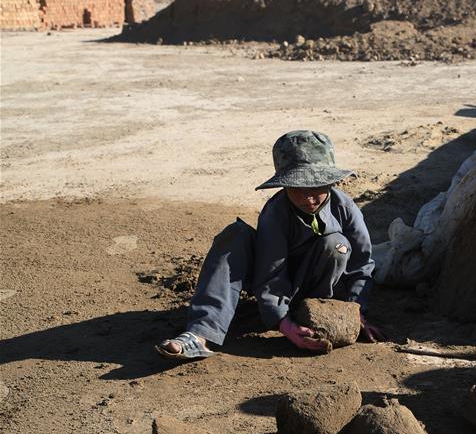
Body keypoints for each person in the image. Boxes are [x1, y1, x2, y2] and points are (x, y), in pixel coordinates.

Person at [156, 130, 381, 359]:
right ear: (284, 185)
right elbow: (270, 274)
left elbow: (361, 265)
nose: (308, 198)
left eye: (316, 188)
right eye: (297, 189)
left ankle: (308, 310)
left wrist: (355, 311)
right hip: (274, 285)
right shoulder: (275, 213)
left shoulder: (345, 208)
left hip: (320, 292)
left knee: (336, 244)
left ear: (331, 181)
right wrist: (284, 324)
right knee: (234, 236)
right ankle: (201, 333)